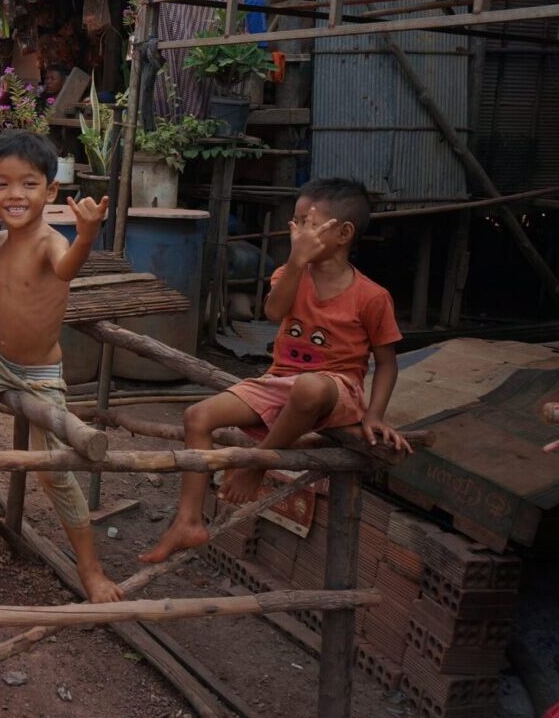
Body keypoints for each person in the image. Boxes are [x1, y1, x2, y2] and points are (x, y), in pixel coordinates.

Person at [141, 177, 411, 562]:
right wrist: (297, 260)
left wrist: (375, 414)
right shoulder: (290, 273)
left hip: (336, 389)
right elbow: (272, 312)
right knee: (197, 416)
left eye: (307, 222)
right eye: (295, 222)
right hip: (281, 380)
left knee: (310, 389)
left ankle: (257, 463)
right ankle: (188, 521)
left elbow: (387, 363)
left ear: (343, 233)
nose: (296, 231)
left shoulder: (372, 296)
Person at [0, 130, 123, 603]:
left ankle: (91, 570)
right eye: (2, 184)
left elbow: (69, 267)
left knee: (55, 470)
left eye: (29, 184)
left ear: (51, 192)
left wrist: (89, 234)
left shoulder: (51, 242)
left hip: (39, 375)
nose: (15, 195)